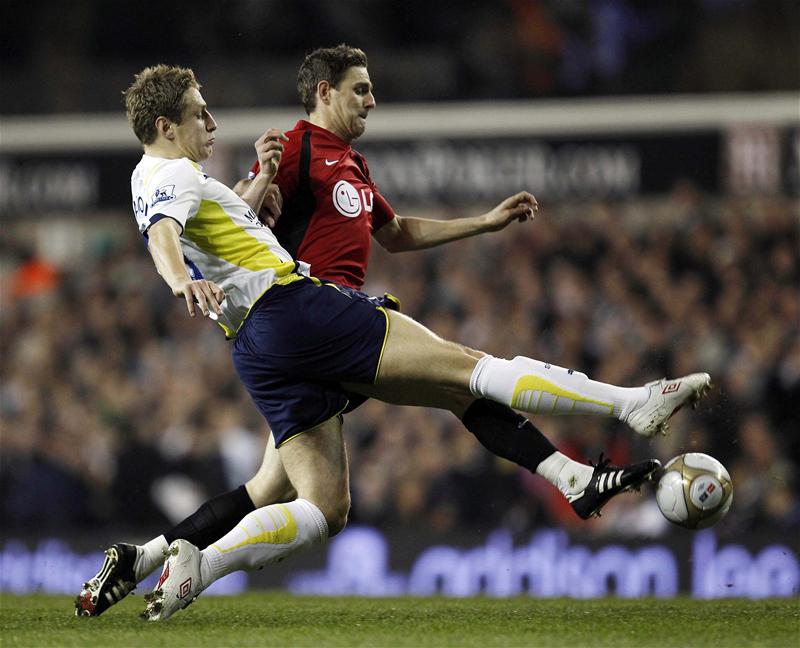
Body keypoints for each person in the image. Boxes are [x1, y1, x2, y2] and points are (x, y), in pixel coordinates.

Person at [77, 63, 709, 621]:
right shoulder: (225, 162)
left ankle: (185, 563)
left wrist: (253, 190)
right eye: (198, 112)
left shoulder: (164, 176)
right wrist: (179, 278)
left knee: (321, 503)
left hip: (258, 343)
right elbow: (168, 234)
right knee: (466, 371)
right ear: (166, 124)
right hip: (302, 309)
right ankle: (628, 405)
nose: (210, 121)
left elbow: (223, 226)